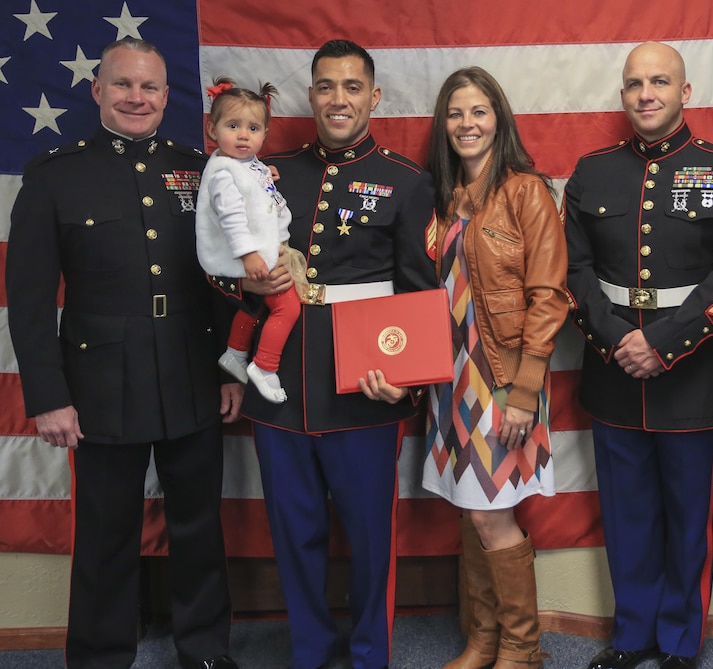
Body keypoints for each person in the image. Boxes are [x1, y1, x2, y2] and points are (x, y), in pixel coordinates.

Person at [5, 38, 241, 669]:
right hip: (100, 381)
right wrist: (49, 397)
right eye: (123, 85)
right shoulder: (55, 174)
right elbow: (27, 302)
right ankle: (100, 656)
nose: (137, 97)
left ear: (168, 96)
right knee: (107, 534)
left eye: (150, 87)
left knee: (198, 526)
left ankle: (205, 653)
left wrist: (229, 369)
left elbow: (220, 279)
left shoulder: (199, 167)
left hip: (192, 369)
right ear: (98, 91)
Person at [214, 40, 436, 669]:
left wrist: (410, 383)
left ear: (374, 96)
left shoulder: (405, 181)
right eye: (326, 87)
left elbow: (421, 292)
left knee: (370, 539)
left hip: (366, 385)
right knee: (294, 533)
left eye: (352, 87)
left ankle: (369, 656)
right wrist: (243, 289)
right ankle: (310, 653)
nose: (339, 99)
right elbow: (221, 260)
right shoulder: (265, 171)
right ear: (310, 95)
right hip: (278, 383)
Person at [564, 42, 713, 669]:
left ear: (686, 91)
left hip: (692, 373)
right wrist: (616, 339)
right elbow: (572, 270)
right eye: (633, 83)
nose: (645, 93)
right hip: (613, 368)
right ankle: (632, 637)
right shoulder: (592, 171)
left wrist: (662, 343)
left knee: (686, 520)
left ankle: (680, 645)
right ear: (621, 94)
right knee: (625, 518)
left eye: (659, 81)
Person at [362, 66, 567, 669]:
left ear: (498, 118)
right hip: (451, 380)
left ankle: (522, 649)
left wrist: (524, 391)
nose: (467, 124)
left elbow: (550, 296)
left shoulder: (527, 191)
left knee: (488, 510)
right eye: (455, 113)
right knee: (471, 507)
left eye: (479, 111)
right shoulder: (443, 198)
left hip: (503, 377)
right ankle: (483, 641)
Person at [196, 77, 307, 404]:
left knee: (254, 304)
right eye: (233, 125)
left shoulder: (245, 165)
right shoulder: (223, 173)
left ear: (265, 134)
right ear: (212, 130)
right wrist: (249, 256)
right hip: (249, 254)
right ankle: (265, 365)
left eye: (253, 128)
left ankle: (234, 352)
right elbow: (231, 219)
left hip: (264, 250)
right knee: (287, 308)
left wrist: (263, 174)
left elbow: (255, 189)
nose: (244, 135)